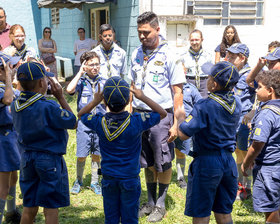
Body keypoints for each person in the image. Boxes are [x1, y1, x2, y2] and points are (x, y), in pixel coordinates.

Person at [78, 76, 167, 224]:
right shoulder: (136, 121)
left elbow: (81, 115)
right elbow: (162, 113)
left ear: (105, 101)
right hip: (130, 179)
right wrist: (142, 97)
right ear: (128, 100)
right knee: (130, 219)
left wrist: (95, 101)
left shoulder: (99, 121)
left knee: (111, 219)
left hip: (109, 179)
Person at [129, 11, 185, 222]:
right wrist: (130, 111)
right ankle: (150, 200)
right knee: (147, 161)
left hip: (161, 116)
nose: (142, 36)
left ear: (157, 29)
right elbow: (132, 87)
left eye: (146, 32)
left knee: (164, 161)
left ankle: (161, 203)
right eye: (139, 33)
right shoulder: (135, 53)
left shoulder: (170, 55)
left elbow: (177, 92)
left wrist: (176, 123)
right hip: (139, 117)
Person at [11, 62, 77, 224]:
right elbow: (72, 122)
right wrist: (61, 97)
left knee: (29, 205)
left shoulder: (15, 105)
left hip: (26, 159)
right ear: (42, 83)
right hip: (49, 160)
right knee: (50, 205)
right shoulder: (48, 106)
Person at [176, 61, 241, 224]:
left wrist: (180, 117)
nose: (207, 80)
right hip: (228, 161)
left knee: (201, 213)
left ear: (215, 84)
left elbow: (183, 134)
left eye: (209, 77)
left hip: (207, 163)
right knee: (224, 212)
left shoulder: (204, 105)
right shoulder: (237, 103)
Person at [241, 70, 280, 224]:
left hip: (269, 168)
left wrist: (246, 163)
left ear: (270, 91)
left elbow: (257, 144)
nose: (256, 90)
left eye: (259, 87)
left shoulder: (267, 113)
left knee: (270, 208)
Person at [66, 51, 106, 195]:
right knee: (82, 154)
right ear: (85, 66)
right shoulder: (81, 82)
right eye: (91, 65)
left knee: (97, 154)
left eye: (97, 64)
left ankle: (95, 181)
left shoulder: (104, 81)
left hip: (100, 123)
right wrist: (79, 73)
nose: (95, 67)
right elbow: (69, 89)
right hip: (84, 123)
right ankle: (79, 180)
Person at [225, 43, 255, 200]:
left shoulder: (252, 74)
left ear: (242, 58)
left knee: (245, 154)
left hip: (244, 121)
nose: (228, 58)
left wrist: (253, 112)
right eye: (228, 55)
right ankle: (239, 184)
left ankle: (247, 187)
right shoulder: (232, 72)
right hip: (233, 119)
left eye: (232, 56)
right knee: (237, 152)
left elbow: (263, 95)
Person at [0, 53, 21, 224]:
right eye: (9, 67)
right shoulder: (2, 88)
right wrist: (8, 78)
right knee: (3, 185)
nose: (12, 70)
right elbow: (8, 99)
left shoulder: (6, 85)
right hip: (2, 139)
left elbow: (17, 95)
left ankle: (12, 212)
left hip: (11, 136)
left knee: (13, 176)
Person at [174, 83, 201, 189]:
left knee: (182, 152)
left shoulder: (190, 88)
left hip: (185, 127)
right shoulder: (167, 86)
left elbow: (199, 105)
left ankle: (182, 177)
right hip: (169, 124)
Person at [181, 29, 212, 98]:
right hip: (189, 82)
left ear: (202, 40)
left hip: (204, 84)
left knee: (203, 106)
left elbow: (211, 74)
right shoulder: (183, 56)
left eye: (197, 40)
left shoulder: (208, 55)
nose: (194, 42)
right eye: (192, 40)